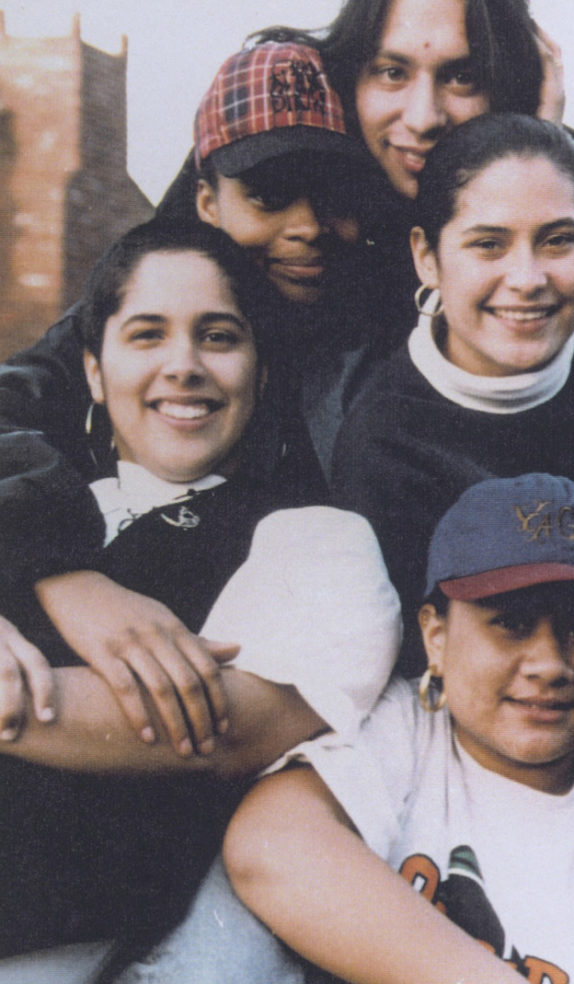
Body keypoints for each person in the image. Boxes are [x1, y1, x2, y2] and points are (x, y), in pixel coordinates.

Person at [0, 218, 401, 968]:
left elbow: (226, 730)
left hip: (78, 943)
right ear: (94, 371)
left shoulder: (315, 539)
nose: (183, 365)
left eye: (218, 337)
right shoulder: (34, 500)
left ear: (261, 368)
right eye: (146, 335)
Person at [0, 39, 395, 749]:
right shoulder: (143, 297)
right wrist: (62, 576)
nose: (307, 227)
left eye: (333, 197)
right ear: (208, 202)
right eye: (269, 196)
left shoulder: (390, 335)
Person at [225, 474, 574, 984]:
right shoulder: (407, 729)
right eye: (511, 623)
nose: (549, 664)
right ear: (436, 636)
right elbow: (270, 846)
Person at [331, 114, 574, 721]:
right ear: (427, 256)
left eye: (558, 240)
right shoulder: (389, 450)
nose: (527, 279)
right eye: (488, 244)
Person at [253, 0, 574, 346]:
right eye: (392, 72)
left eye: (461, 77)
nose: (422, 118)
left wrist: (537, 167)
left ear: (513, 81)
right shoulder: (311, 168)